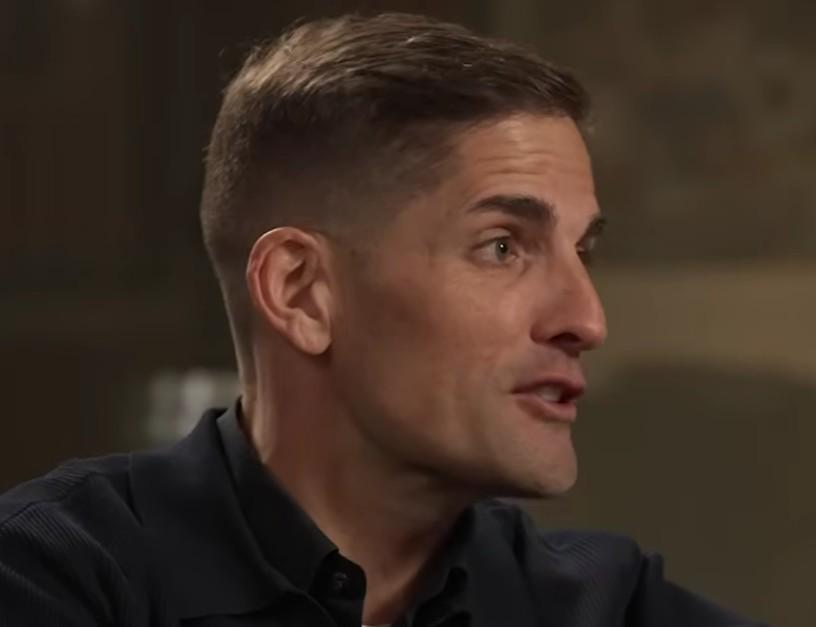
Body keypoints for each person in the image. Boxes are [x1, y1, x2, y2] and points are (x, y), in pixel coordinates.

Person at [0, 13, 763, 627]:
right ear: (301, 292)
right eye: (502, 246)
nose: (587, 319)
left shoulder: (607, 604)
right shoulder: (52, 576)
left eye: (582, 250)